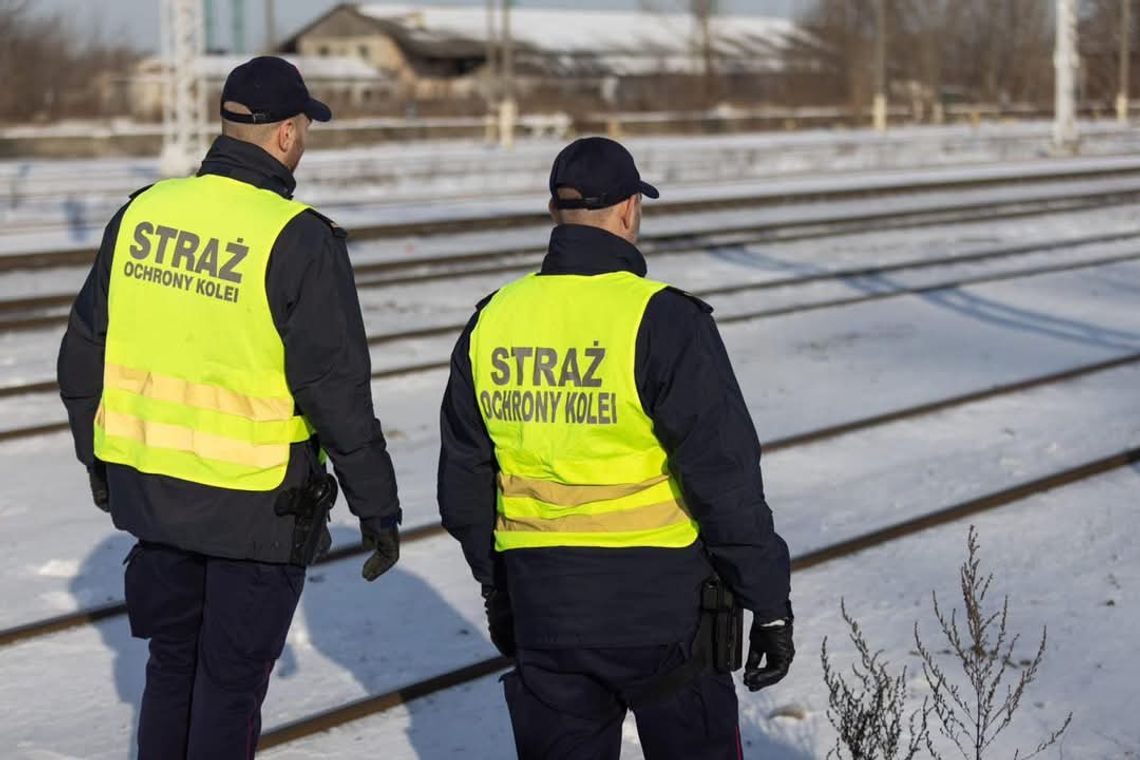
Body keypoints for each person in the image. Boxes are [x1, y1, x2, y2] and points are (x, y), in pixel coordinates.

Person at [57, 56, 401, 760]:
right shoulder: (297, 237)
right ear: (284, 136)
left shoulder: (142, 212)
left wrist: (101, 460)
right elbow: (335, 388)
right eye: (303, 127)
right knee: (232, 685)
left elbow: (83, 352)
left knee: (171, 667)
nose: (302, 140)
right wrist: (377, 506)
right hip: (257, 506)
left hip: (155, 497)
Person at [438, 136, 794, 759]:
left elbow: (464, 479)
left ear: (555, 212)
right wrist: (767, 603)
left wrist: (500, 590)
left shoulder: (493, 320)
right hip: (663, 614)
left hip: (545, 605)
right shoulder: (663, 319)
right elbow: (724, 479)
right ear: (630, 210)